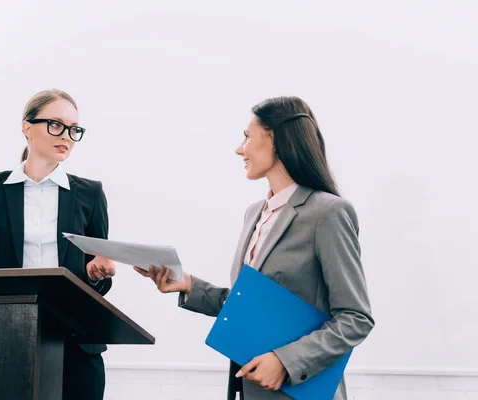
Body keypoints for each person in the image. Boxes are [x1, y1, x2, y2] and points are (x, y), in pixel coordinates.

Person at [135, 96, 374, 400]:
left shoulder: (328, 213)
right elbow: (256, 307)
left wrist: (286, 363)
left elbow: (355, 318)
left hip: (301, 393)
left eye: (247, 136)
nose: (239, 148)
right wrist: (190, 286)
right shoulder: (255, 213)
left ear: (275, 139)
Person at [0, 88, 115, 400]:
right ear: (27, 127)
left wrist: (96, 274)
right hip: (6, 339)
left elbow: (94, 282)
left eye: (75, 129)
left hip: (75, 346)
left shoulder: (89, 193)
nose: (67, 136)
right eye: (56, 125)